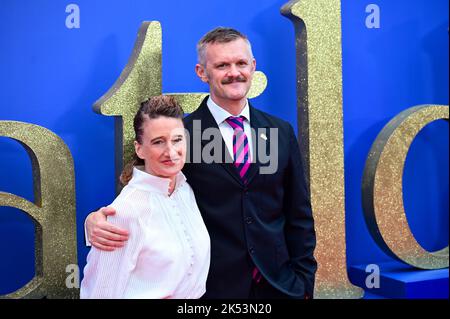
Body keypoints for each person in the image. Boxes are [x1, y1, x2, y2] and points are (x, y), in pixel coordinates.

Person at [85, 27, 317, 299]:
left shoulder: (279, 132)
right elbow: (151, 195)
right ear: (202, 72)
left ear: (253, 66)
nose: (234, 72)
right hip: (214, 290)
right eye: (221, 65)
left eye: (241, 63)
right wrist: (96, 219)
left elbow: (298, 213)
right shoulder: (181, 136)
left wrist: (303, 284)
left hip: (280, 287)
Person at [80, 95, 210, 298]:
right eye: (158, 142)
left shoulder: (185, 189)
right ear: (139, 148)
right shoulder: (125, 212)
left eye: (177, 140)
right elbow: (99, 292)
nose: (171, 152)